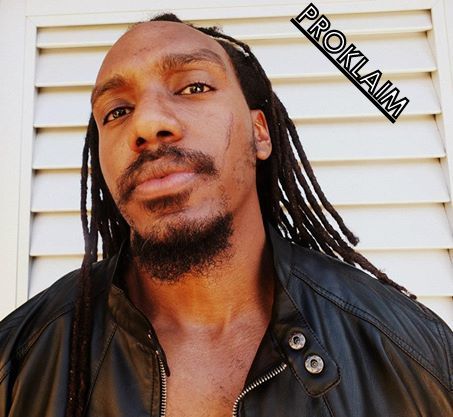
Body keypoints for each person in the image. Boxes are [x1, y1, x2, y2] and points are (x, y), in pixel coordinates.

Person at [0, 12, 452, 417]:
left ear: (260, 133)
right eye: (117, 111)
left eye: (194, 87)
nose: (147, 124)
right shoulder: (16, 363)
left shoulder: (415, 356)